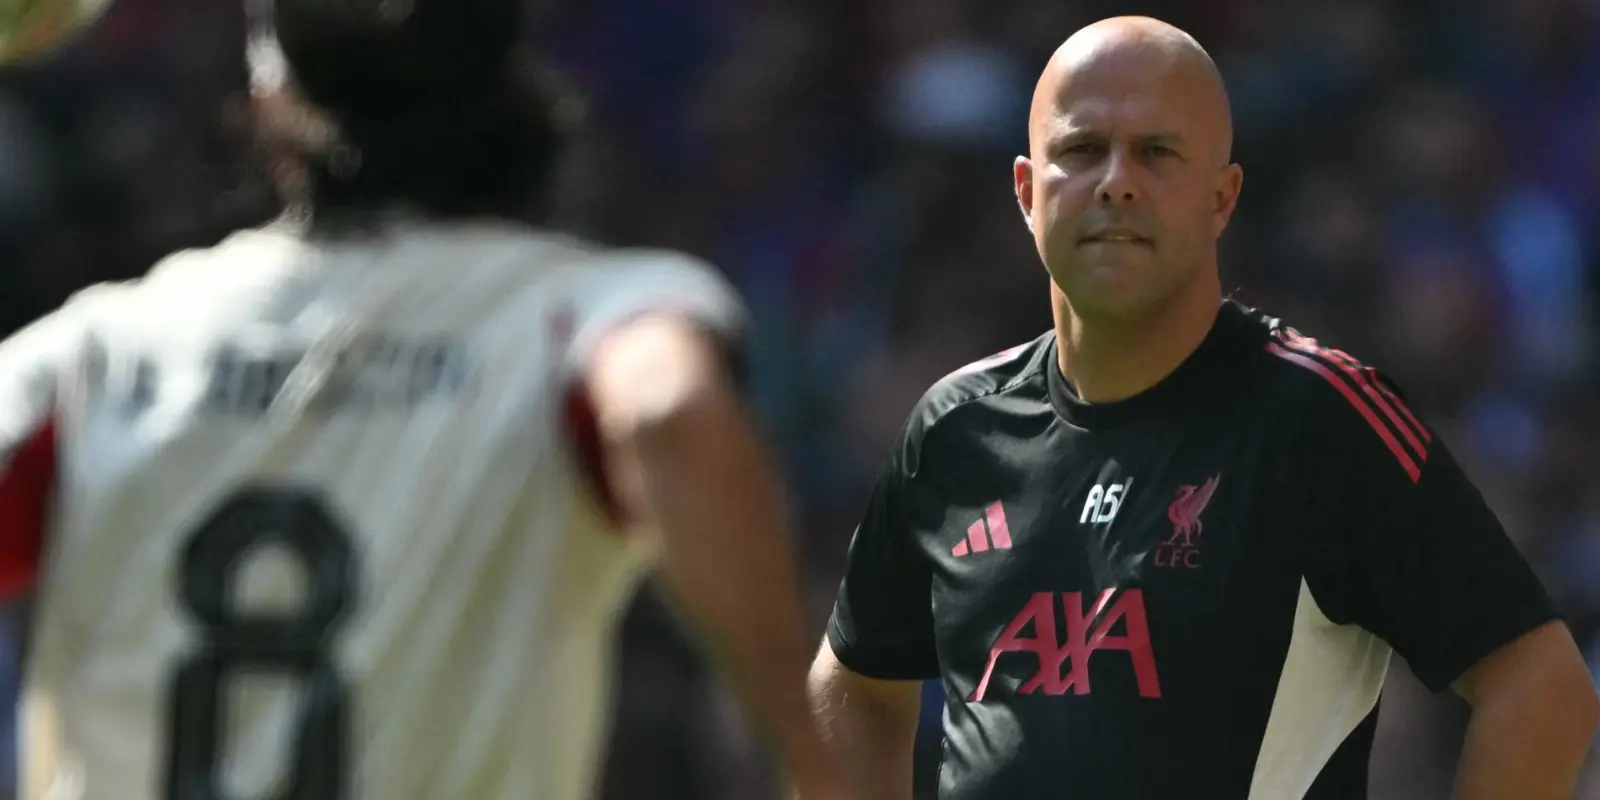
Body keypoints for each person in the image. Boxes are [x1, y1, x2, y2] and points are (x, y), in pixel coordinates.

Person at [0, 0, 846, 798]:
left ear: (270, 98)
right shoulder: (576, 317)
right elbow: (666, 409)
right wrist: (809, 745)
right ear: (512, 79)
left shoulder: (97, 352)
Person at [807, 15, 1600, 800]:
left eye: (1157, 152)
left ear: (1222, 198)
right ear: (1025, 192)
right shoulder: (952, 430)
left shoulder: (1317, 419)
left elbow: (1542, 689)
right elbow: (851, 692)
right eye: (1081, 150)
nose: (1116, 181)